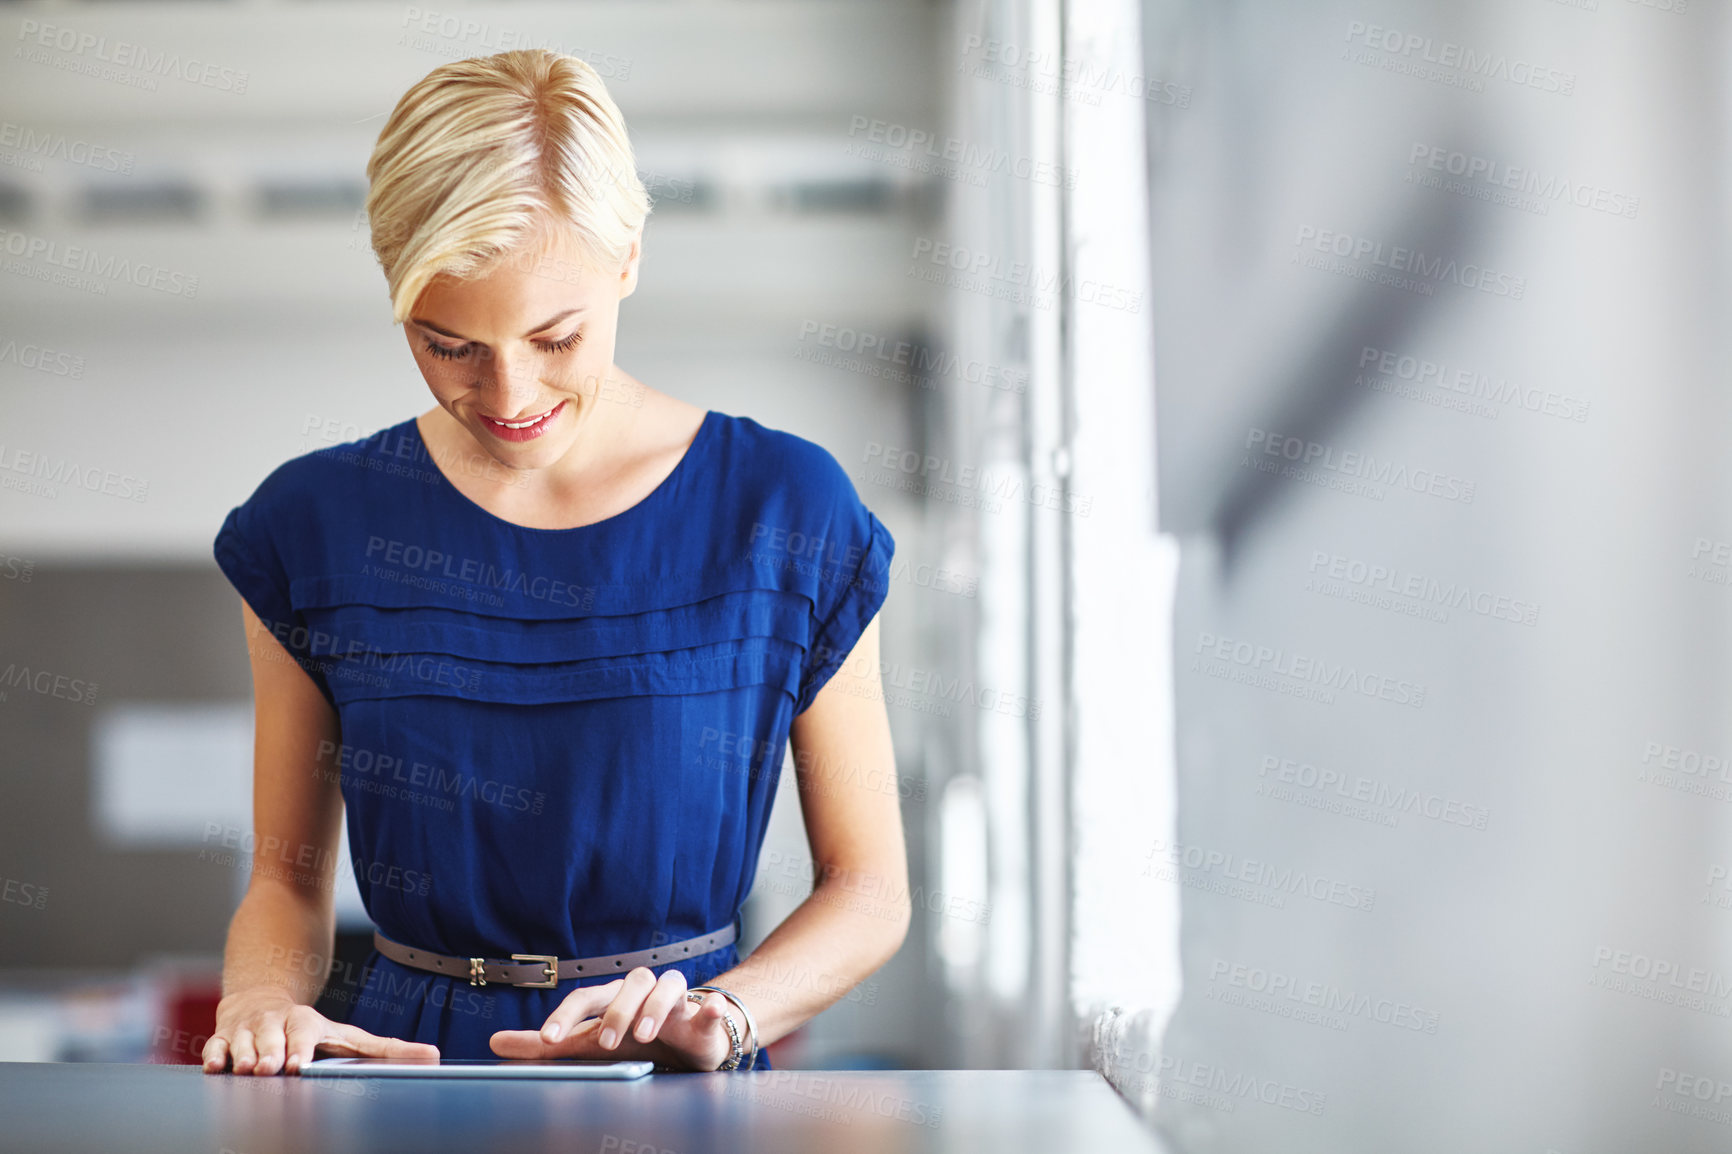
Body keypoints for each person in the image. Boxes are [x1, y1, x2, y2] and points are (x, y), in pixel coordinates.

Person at [201, 48, 909, 1076]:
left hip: (674, 1078)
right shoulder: (310, 525)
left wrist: (724, 1010)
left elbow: (868, 888)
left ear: (627, 258)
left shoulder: (784, 509)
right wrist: (263, 1003)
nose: (509, 391)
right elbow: (285, 879)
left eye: (556, 335)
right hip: (410, 1084)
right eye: (449, 344)